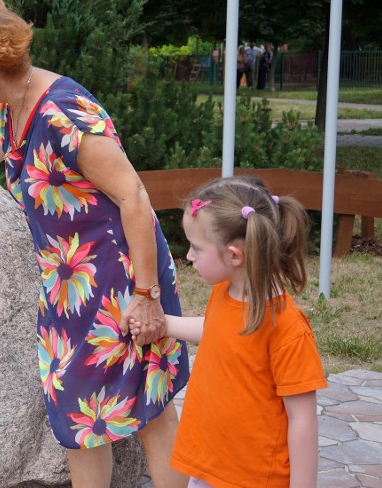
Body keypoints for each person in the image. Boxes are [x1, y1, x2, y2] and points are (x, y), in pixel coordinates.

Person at [0, 0, 190, 488]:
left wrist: (146, 298)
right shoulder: (9, 109)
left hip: (120, 277)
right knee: (80, 418)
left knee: (150, 406)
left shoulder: (64, 113)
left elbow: (133, 196)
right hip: (68, 285)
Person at [130, 176, 327, 488]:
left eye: (196, 248)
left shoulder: (286, 327)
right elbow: (217, 331)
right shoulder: (226, 291)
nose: (189, 257)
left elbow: (302, 419)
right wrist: (164, 326)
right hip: (210, 466)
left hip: (253, 477)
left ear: (235, 255)